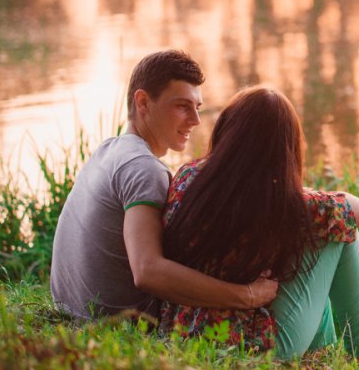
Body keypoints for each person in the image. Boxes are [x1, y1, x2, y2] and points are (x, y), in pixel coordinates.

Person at [50, 50, 279, 320]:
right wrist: (247, 295)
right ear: (143, 102)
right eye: (182, 106)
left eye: (198, 108)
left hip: (69, 311)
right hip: (116, 326)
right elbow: (148, 271)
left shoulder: (108, 151)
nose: (195, 120)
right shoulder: (144, 168)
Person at [159, 85, 359, 364]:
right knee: (342, 229)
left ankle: (319, 357)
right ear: (283, 149)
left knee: (328, 227)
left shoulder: (188, 175)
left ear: (226, 131)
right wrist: (300, 194)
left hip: (183, 334)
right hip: (250, 348)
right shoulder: (279, 202)